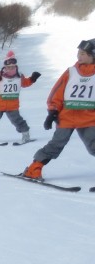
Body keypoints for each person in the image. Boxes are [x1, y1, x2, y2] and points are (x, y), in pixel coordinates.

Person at [22, 38, 95, 180]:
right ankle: (34, 169)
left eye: (83, 54)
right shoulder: (71, 72)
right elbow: (57, 93)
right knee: (56, 144)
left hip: (89, 118)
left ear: (93, 56)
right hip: (66, 117)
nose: (79, 56)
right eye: (78, 53)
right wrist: (53, 111)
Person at [0, 51, 40, 143]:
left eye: (12, 66)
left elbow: (25, 83)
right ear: (5, 66)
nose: (10, 68)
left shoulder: (19, 76)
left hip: (12, 105)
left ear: (16, 66)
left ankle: (25, 134)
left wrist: (33, 79)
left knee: (17, 120)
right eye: (8, 67)